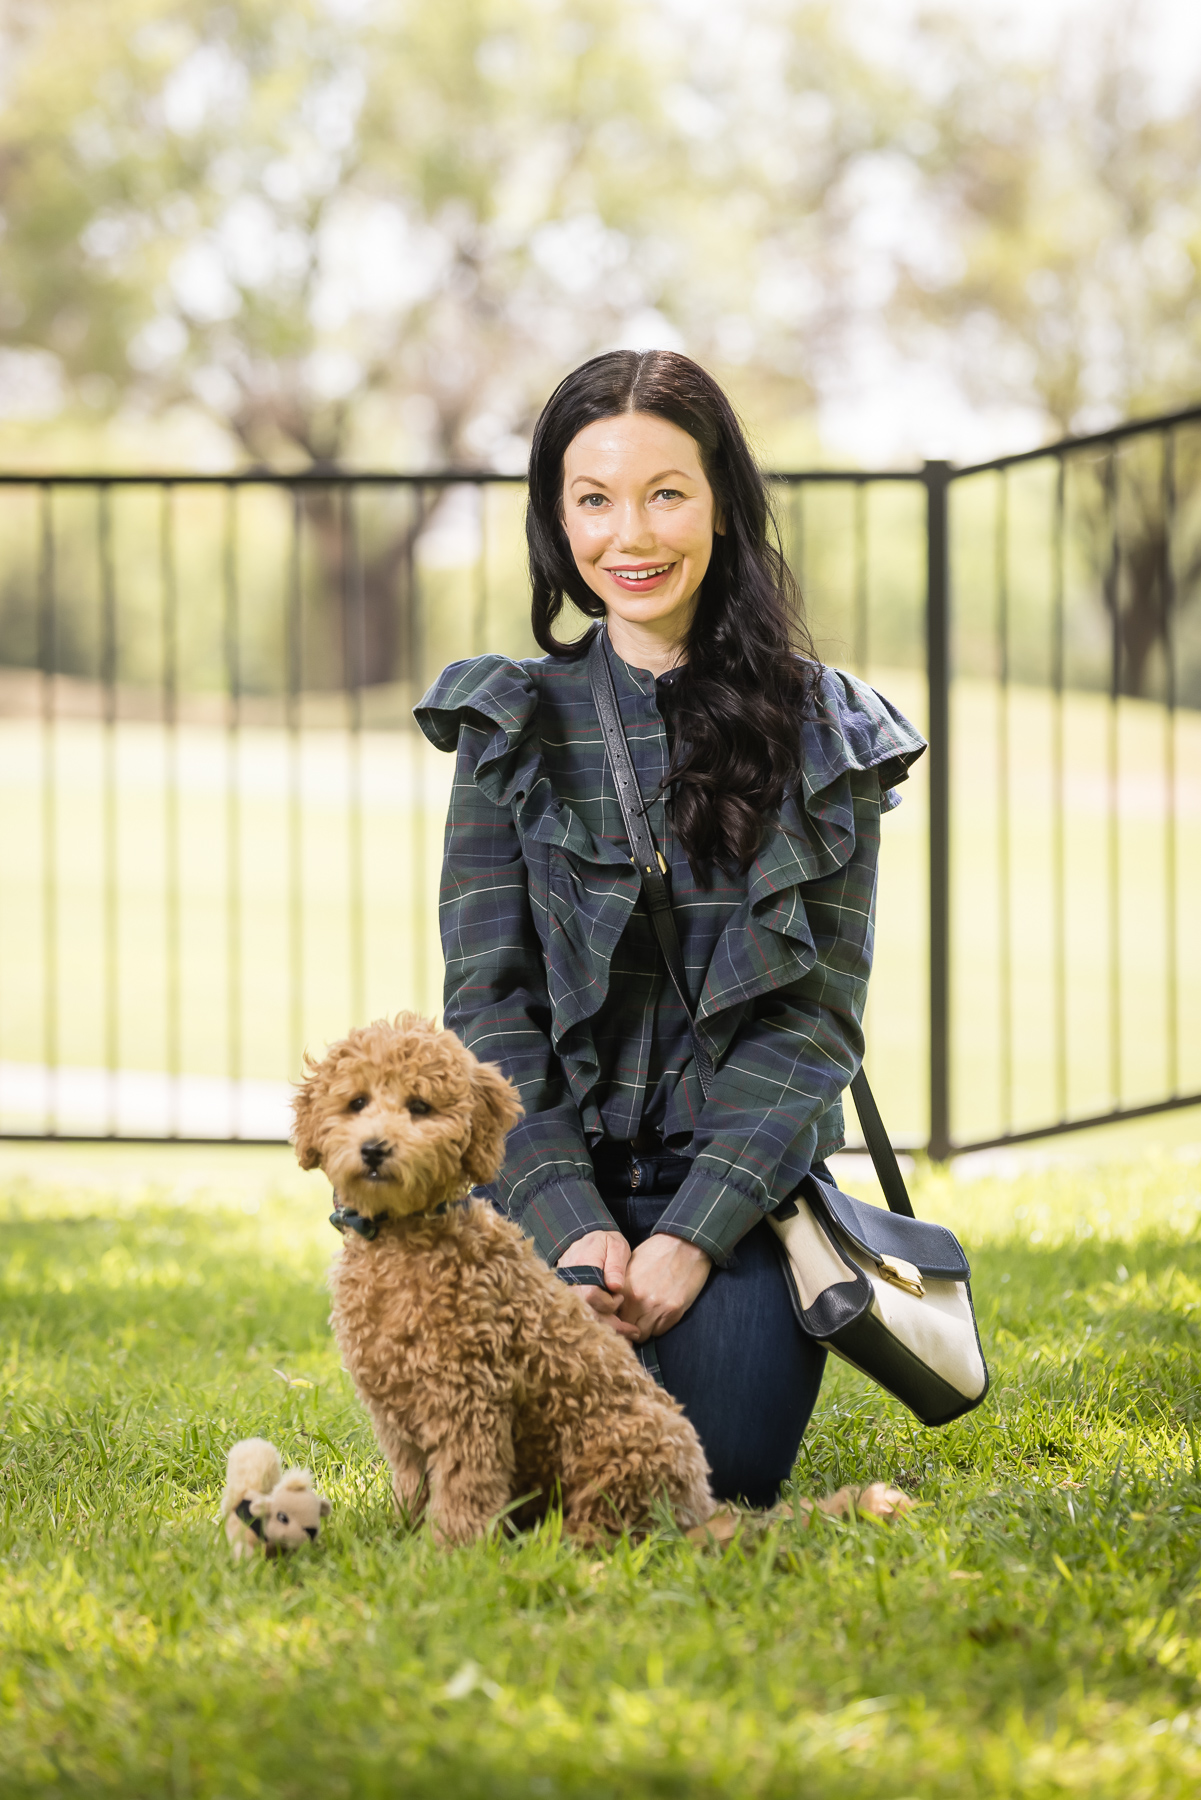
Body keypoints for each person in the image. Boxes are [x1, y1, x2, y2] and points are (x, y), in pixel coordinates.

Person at [415, 350, 925, 1507]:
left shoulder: (827, 730)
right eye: (592, 498)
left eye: (665, 492)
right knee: (536, 1479)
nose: (629, 535)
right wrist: (572, 1228)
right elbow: (488, 1006)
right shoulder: (510, 722)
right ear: (557, 520)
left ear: (722, 506)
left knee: (712, 1476)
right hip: (548, 1184)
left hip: (733, 1198)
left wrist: (690, 1235)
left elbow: (813, 1024)